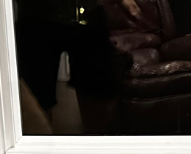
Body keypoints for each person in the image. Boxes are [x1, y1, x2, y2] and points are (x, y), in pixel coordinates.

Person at [14, 0, 143, 134]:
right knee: (37, 97)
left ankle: (97, 146)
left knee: (99, 91)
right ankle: (40, 150)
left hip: (87, 13)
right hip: (36, 19)